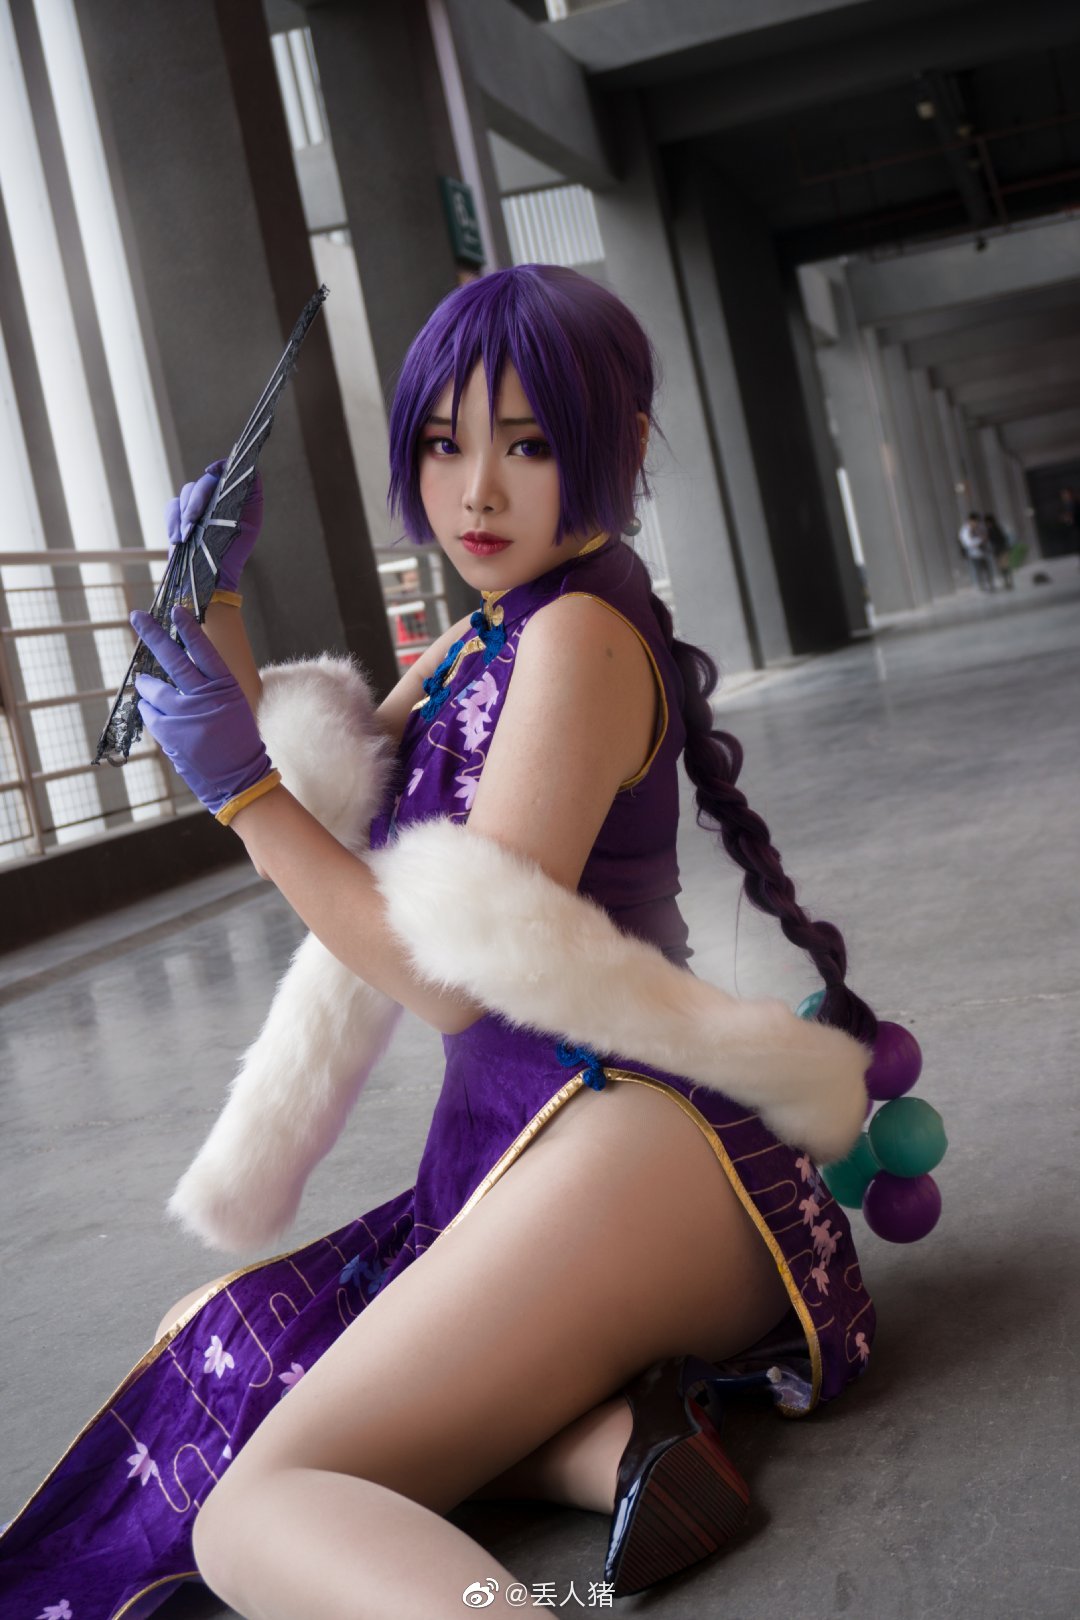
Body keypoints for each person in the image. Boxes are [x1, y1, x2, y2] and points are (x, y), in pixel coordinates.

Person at [0, 265, 876, 1618]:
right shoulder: (488, 637)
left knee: (256, 1513)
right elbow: (337, 815)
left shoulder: (576, 636)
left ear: (621, 443)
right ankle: (615, 1443)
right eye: (442, 443)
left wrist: (240, 793)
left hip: (627, 1127)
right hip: (532, 1146)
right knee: (207, 1344)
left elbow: (456, 981)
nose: (475, 492)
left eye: (527, 445)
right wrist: (216, 602)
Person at [958, 511, 993, 591]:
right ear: (970, 520)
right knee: (978, 570)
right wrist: (979, 541)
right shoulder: (965, 530)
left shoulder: (979, 528)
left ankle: (989, 584)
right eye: (975, 521)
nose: (976, 523)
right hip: (973, 554)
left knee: (986, 568)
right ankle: (982, 586)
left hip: (983, 552)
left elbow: (985, 536)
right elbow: (967, 543)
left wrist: (982, 540)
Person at [983, 512, 1015, 590]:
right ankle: (1008, 581)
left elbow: (991, 540)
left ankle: (1008, 581)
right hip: (1000, 550)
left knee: (1003, 566)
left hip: (1000, 550)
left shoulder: (992, 530)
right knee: (1004, 566)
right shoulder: (997, 528)